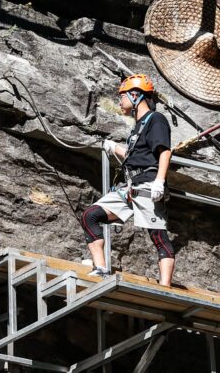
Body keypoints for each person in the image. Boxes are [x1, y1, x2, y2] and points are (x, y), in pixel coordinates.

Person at [80, 74, 176, 286]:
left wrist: (159, 182)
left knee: (158, 236)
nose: (119, 101)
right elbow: (138, 155)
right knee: (90, 216)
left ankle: (166, 287)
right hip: (131, 186)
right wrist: (115, 147)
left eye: (122, 96)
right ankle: (101, 268)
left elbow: (164, 151)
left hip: (148, 185)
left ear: (135, 95)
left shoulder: (155, 119)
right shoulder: (137, 126)